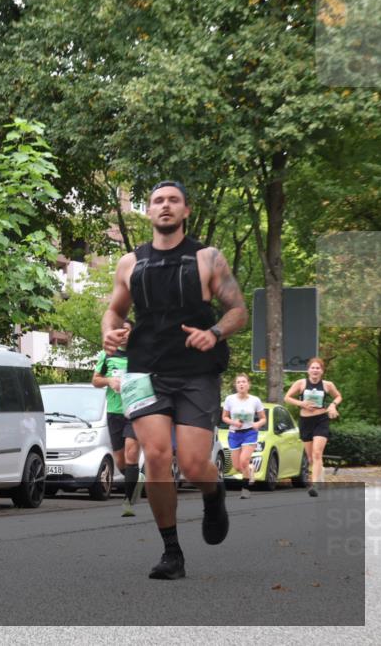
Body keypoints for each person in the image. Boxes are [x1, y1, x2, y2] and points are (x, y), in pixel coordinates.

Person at [102, 180, 247, 580]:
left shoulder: (207, 258)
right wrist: (109, 332)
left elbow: (237, 310)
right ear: (148, 211)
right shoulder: (130, 263)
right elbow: (114, 312)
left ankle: (213, 494)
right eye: (157, 201)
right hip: (145, 371)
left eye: (173, 201)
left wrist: (214, 332)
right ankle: (172, 552)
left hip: (196, 371)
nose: (164, 206)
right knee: (158, 458)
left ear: (185, 211)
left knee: (195, 462)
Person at [91, 319, 144, 516]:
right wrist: (109, 380)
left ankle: (128, 502)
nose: (123, 333)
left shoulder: (140, 355)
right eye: (119, 330)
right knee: (120, 461)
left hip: (135, 411)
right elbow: (95, 381)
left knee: (131, 454)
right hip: (114, 411)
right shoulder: (107, 354)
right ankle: (135, 479)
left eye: (127, 330)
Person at [284, 357, 342, 497]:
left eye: (318, 368)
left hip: (321, 420)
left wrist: (333, 405)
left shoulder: (328, 385)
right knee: (310, 458)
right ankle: (320, 473)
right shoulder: (301, 383)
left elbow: (338, 396)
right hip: (305, 421)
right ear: (308, 370)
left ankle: (314, 485)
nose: (315, 370)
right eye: (313, 367)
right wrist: (301, 404)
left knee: (317, 453)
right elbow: (287, 397)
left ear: (322, 371)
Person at [222, 374, 266, 499]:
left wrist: (257, 424)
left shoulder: (255, 400)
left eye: (243, 382)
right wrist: (233, 422)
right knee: (237, 467)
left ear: (248, 384)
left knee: (244, 460)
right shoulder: (230, 399)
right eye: (238, 382)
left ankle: (245, 489)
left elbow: (263, 418)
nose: (241, 384)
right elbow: (224, 417)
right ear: (235, 385)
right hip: (234, 433)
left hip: (250, 433)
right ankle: (250, 469)